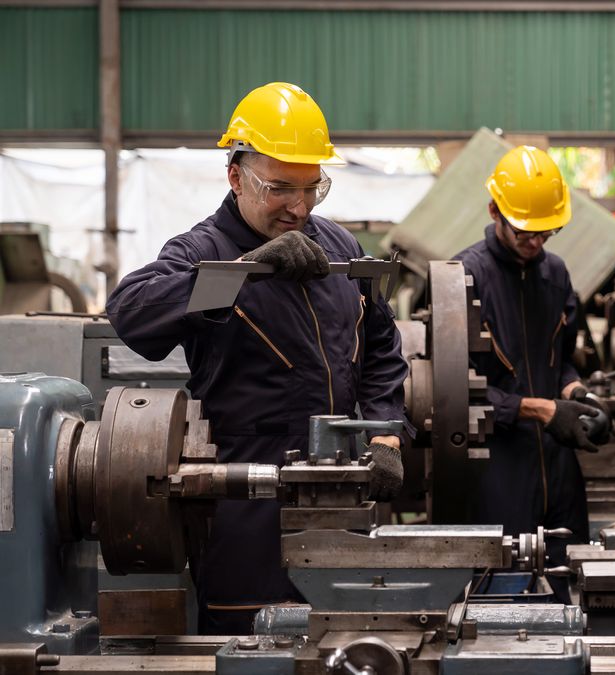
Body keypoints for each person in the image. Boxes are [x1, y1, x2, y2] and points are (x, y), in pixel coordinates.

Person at [106, 82, 412, 634]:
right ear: (235, 175)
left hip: (339, 492)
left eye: (312, 188)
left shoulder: (339, 247)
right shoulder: (203, 250)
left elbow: (383, 348)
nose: (298, 207)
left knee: (340, 643)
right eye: (279, 189)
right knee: (249, 647)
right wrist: (244, 268)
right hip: (244, 498)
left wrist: (386, 436)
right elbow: (131, 311)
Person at [453, 145, 604, 599]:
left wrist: (577, 394)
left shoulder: (554, 274)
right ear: (494, 210)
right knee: (500, 597)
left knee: (567, 588)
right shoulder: (465, 276)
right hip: (498, 468)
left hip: (558, 467)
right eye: (525, 231)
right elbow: (456, 391)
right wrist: (539, 410)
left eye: (547, 231)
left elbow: (564, 360)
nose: (536, 242)